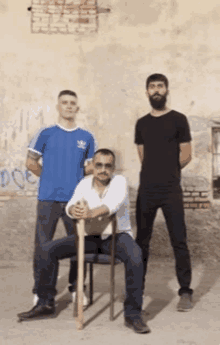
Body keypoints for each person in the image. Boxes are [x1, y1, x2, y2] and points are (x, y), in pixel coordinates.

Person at [17, 149, 150, 334]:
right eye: (99, 165)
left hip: (116, 236)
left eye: (108, 166)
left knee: (135, 256)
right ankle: (45, 304)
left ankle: (133, 315)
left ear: (113, 168)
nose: (103, 169)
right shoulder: (84, 183)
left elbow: (113, 203)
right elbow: (71, 205)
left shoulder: (120, 181)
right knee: (46, 250)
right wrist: (74, 211)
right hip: (90, 237)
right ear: (93, 166)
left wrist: (91, 213)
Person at [26, 90, 96, 307]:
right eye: (64, 103)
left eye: (72, 103)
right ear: (58, 106)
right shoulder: (45, 133)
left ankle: (76, 288)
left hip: (74, 202)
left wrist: (75, 181)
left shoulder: (86, 137)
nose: (68, 106)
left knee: (78, 245)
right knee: (43, 246)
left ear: (77, 108)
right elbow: (31, 162)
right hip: (47, 199)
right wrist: (49, 178)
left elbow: (91, 167)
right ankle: (41, 289)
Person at [135, 73, 193, 312]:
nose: (156, 90)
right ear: (147, 92)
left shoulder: (179, 119)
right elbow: (142, 155)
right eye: (152, 87)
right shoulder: (141, 123)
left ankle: (185, 291)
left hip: (171, 189)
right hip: (147, 189)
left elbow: (187, 154)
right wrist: (153, 172)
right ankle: (136, 290)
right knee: (142, 242)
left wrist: (168, 172)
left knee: (179, 240)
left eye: (160, 86)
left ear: (167, 90)